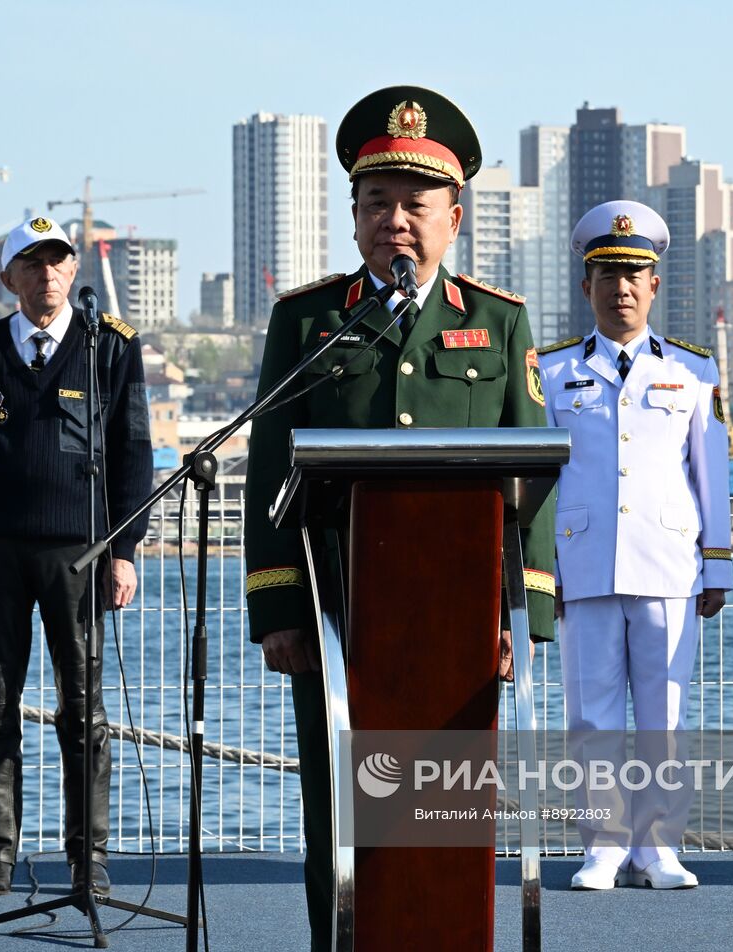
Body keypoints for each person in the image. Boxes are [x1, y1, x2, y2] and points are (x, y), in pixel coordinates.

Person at [243, 85, 555, 950]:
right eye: (376, 204)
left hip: (457, 622)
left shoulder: (498, 324)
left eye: (415, 204)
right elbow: (269, 470)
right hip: (339, 615)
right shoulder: (307, 321)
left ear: (455, 217)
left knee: (441, 814)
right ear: (352, 218)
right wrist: (277, 610)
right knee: (339, 815)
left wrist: (518, 615)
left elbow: (531, 482)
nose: (395, 222)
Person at [0, 216, 153, 898]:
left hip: (80, 554)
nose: (48, 274)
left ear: (74, 269)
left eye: (58, 262)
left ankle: (90, 862)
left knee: (83, 710)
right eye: (33, 264)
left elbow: (133, 451)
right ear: (9, 278)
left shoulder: (108, 347)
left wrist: (125, 548)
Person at [538, 201, 731, 890]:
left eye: (635, 274)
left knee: (664, 715)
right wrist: (539, 572)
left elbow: (709, 474)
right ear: (585, 285)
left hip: (670, 563)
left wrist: (720, 566)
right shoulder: (553, 375)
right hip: (582, 564)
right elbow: (541, 482)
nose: (621, 287)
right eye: (607, 273)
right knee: (591, 716)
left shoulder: (693, 371)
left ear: (655, 285)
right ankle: (603, 845)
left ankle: (658, 846)